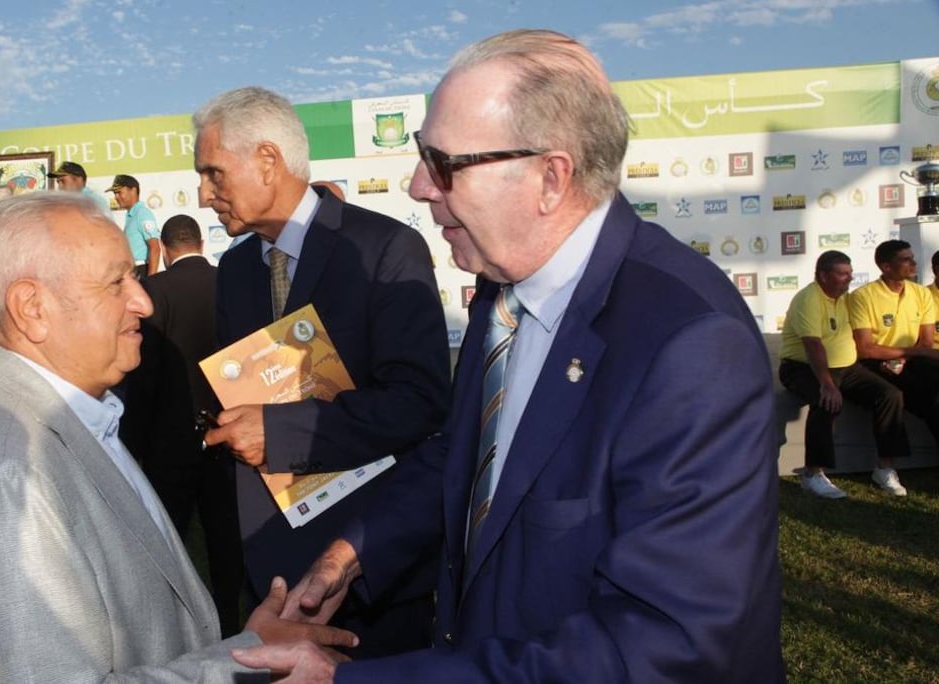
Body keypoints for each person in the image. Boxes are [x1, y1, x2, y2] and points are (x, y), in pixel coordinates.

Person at [232, 29, 783, 682]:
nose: (416, 187)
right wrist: (349, 555)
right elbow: (463, 454)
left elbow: (664, 642)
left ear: (550, 178)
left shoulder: (690, 343)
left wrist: (347, 680)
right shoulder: (502, 283)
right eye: (418, 156)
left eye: (443, 164)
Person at [0, 191, 355, 682]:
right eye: (116, 283)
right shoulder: (0, 475)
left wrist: (249, 652)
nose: (144, 301)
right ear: (32, 307)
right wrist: (232, 671)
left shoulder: (68, 420)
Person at [193, 86, 451, 658]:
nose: (203, 194)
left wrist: (280, 434)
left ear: (268, 159)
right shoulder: (233, 270)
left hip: (368, 571)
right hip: (274, 573)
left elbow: (419, 402)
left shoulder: (384, 248)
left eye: (214, 173)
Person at [120, 213, 243, 635]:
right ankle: (230, 617)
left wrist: (133, 443)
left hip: (168, 442)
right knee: (225, 538)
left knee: (166, 538)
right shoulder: (229, 282)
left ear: (167, 249)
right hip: (230, 434)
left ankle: (170, 626)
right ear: (200, 244)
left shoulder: (154, 290)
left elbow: (143, 377)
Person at [779, 250, 908, 499]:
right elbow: (813, 345)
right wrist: (827, 384)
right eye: (842, 274)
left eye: (850, 273)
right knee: (825, 401)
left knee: (890, 394)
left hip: (847, 367)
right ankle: (813, 473)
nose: (849, 279)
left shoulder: (847, 298)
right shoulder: (809, 298)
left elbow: (863, 336)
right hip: (801, 367)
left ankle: (885, 468)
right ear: (823, 275)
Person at [846, 239, 939, 496]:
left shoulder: (920, 293)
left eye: (912, 258)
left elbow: (927, 341)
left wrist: (905, 357)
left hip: (908, 360)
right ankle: (884, 468)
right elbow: (865, 348)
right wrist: (909, 354)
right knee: (892, 395)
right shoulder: (862, 297)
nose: (913, 263)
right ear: (885, 266)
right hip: (874, 363)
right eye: (906, 259)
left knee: (933, 398)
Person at [108, 174, 161, 279]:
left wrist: (151, 281)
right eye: (115, 193)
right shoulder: (131, 215)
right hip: (133, 271)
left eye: (119, 192)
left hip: (141, 270)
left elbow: (155, 248)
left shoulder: (142, 213)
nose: (116, 197)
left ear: (133, 190)